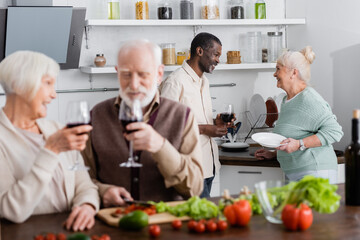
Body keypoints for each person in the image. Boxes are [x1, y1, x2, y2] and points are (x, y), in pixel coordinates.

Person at [82, 39, 203, 206]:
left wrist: (161, 147)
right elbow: (81, 179)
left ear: (159, 74)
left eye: (143, 74)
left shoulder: (182, 116)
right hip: (112, 223)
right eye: (126, 74)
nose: (133, 84)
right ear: (117, 73)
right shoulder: (96, 116)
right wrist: (102, 191)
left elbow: (195, 189)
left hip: (166, 226)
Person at [0, 51, 99, 231]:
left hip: (71, 232)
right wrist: (51, 150)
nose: (54, 95)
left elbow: (85, 185)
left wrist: (87, 206)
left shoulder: (56, 129)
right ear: (18, 85)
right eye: (48, 83)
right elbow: (11, 210)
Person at [254, 46, 343, 183]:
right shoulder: (286, 100)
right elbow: (295, 134)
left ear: (293, 73)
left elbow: (335, 131)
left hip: (315, 171)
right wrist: (275, 154)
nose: (274, 74)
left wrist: (299, 144)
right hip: (297, 172)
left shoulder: (309, 99)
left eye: (278, 69)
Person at [159, 32, 232, 197]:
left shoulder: (204, 81)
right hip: (189, 168)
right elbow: (164, 126)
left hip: (208, 165)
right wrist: (206, 129)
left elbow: (194, 118)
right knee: (201, 220)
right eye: (216, 54)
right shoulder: (175, 82)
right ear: (199, 51)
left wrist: (216, 122)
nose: (218, 60)